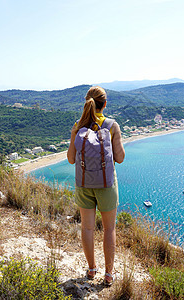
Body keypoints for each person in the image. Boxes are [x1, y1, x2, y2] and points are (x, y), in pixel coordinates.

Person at [67, 86, 125, 286]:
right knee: (109, 229)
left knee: (87, 228)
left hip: (84, 184)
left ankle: (92, 269)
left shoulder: (78, 125)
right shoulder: (111, 125)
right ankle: (109, 274)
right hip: (107, 184)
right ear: (105, 104)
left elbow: (70, 159)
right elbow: (121, 158)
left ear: (87, 102)